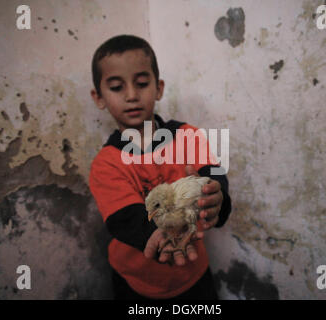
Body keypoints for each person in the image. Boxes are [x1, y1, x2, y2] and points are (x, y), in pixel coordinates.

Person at [88, 35, 232, 300]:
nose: (132, 95)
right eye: (117, 87)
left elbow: (214, 174)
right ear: (99, 97)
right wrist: (155, 233)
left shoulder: (187, 136)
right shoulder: (106, 164)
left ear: (158, 88)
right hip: (135, 282)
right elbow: (124, 217)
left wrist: (216, 196)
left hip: (194, 275)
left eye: (142, 83)